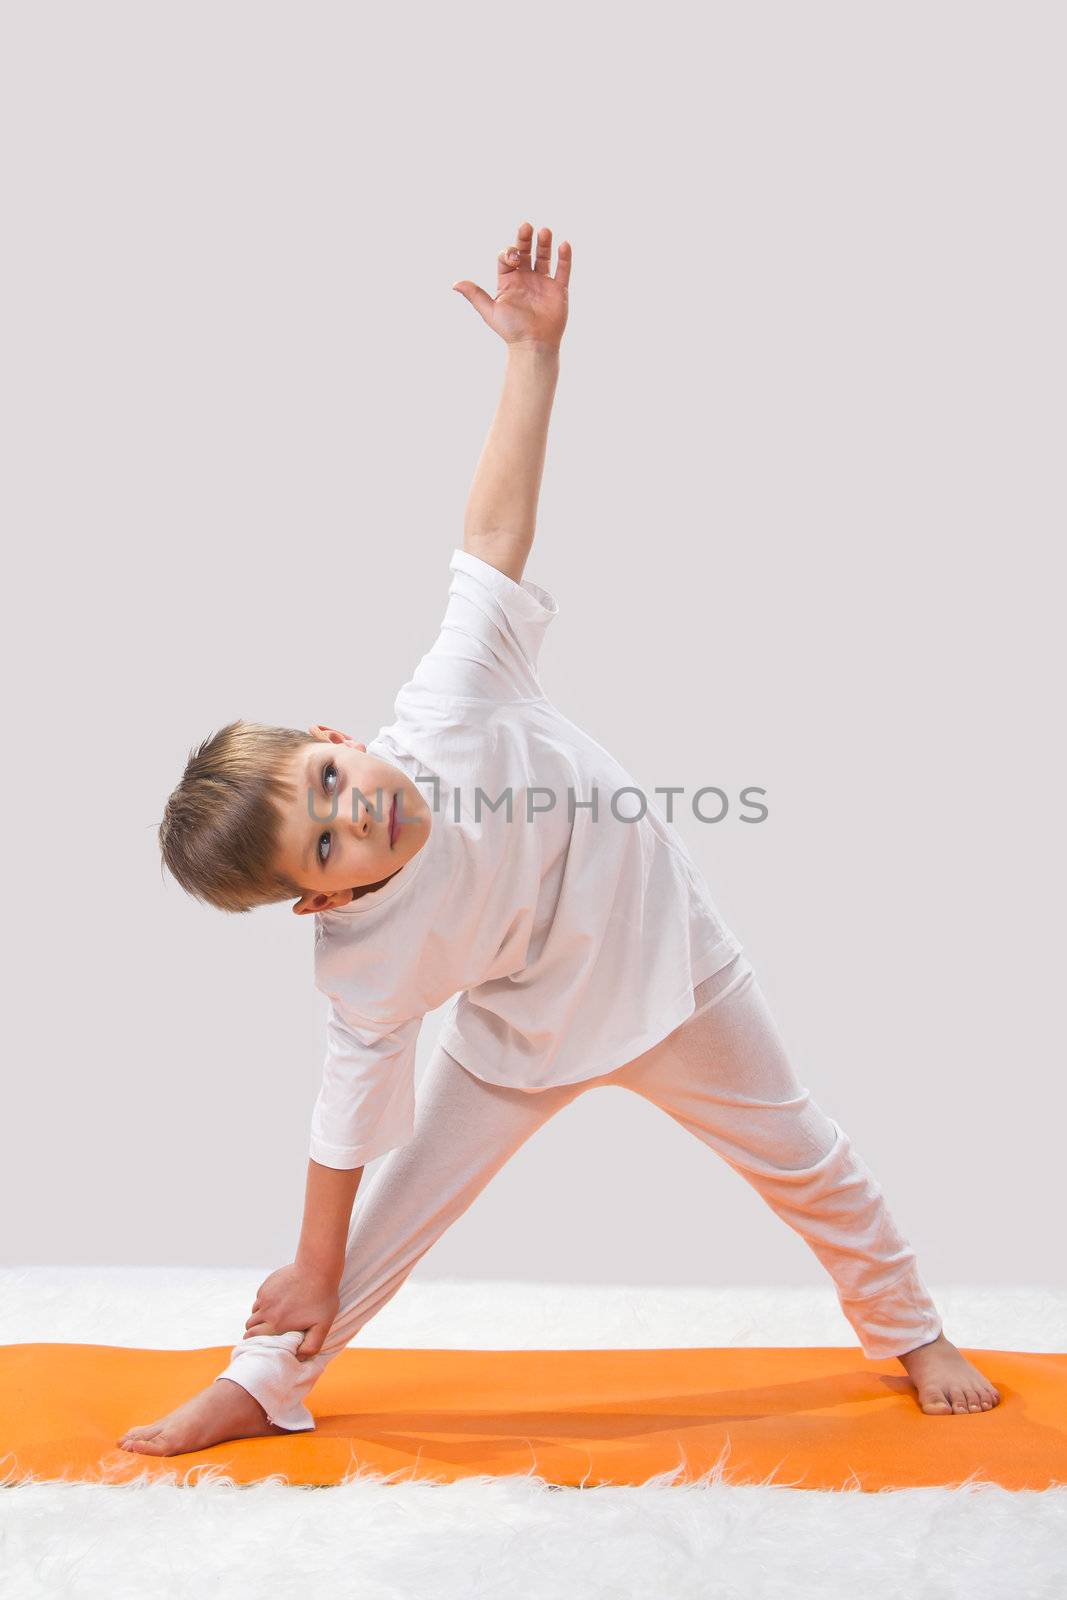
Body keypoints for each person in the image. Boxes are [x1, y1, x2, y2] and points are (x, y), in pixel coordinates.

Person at [119, 221, 1000, 1456]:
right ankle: (266, 1378)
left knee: (805, 1154)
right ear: (320, 902)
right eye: (322, 845)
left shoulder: (452, 699)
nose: (350, 812)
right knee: (378, 1234)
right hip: (520, 1039)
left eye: (329, 778)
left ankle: (908, 1328)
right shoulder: (362, 961)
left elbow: (488, 535)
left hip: (672, 975)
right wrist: (314, 1269)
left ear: (335, 733)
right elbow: (344, 1130)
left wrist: (531, 357)